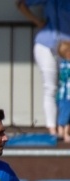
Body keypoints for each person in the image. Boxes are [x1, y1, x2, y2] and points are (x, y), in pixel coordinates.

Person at [17, 0, 70, 137]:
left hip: (67, 49)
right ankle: (53, 130)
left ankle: (64, 129)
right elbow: (21, 4)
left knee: (66, 89)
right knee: (50, 88)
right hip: (47, 44)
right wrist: (38, 21)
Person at [57, 40, 70, 142]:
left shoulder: (63, 64)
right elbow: (65, 76)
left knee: (65, 115)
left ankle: (62, 133)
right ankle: (64, 134)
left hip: (64, 96)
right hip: (66, 96)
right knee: (66, 116)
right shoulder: (65, 65)